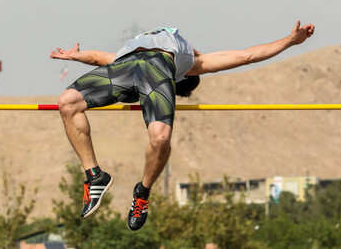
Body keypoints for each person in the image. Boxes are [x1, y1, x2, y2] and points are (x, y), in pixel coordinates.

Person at [50, 21, 315, 231]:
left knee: (161, 138)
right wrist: (76, 56)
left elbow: (248, 56)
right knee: (68, 101)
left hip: (157, 71)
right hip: (125, 66)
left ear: (185, 76)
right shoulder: (129, 49)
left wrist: (291, 41)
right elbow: (99, 57)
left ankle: (142, 192)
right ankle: (95, 176)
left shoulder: (193, 63)